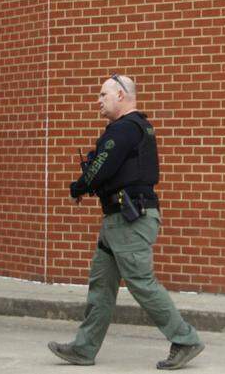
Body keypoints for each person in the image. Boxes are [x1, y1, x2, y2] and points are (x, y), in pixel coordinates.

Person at [48, 74, 205, 370]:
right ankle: (84, 348)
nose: (98, 100)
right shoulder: (135, 128)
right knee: (101, 285)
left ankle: (185, 339)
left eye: (103, 94)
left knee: (141, 283)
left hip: (130, 219)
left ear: (121, 95)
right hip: (118, 219)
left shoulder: (123, 129)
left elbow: (99, 168)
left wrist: (78, 187)